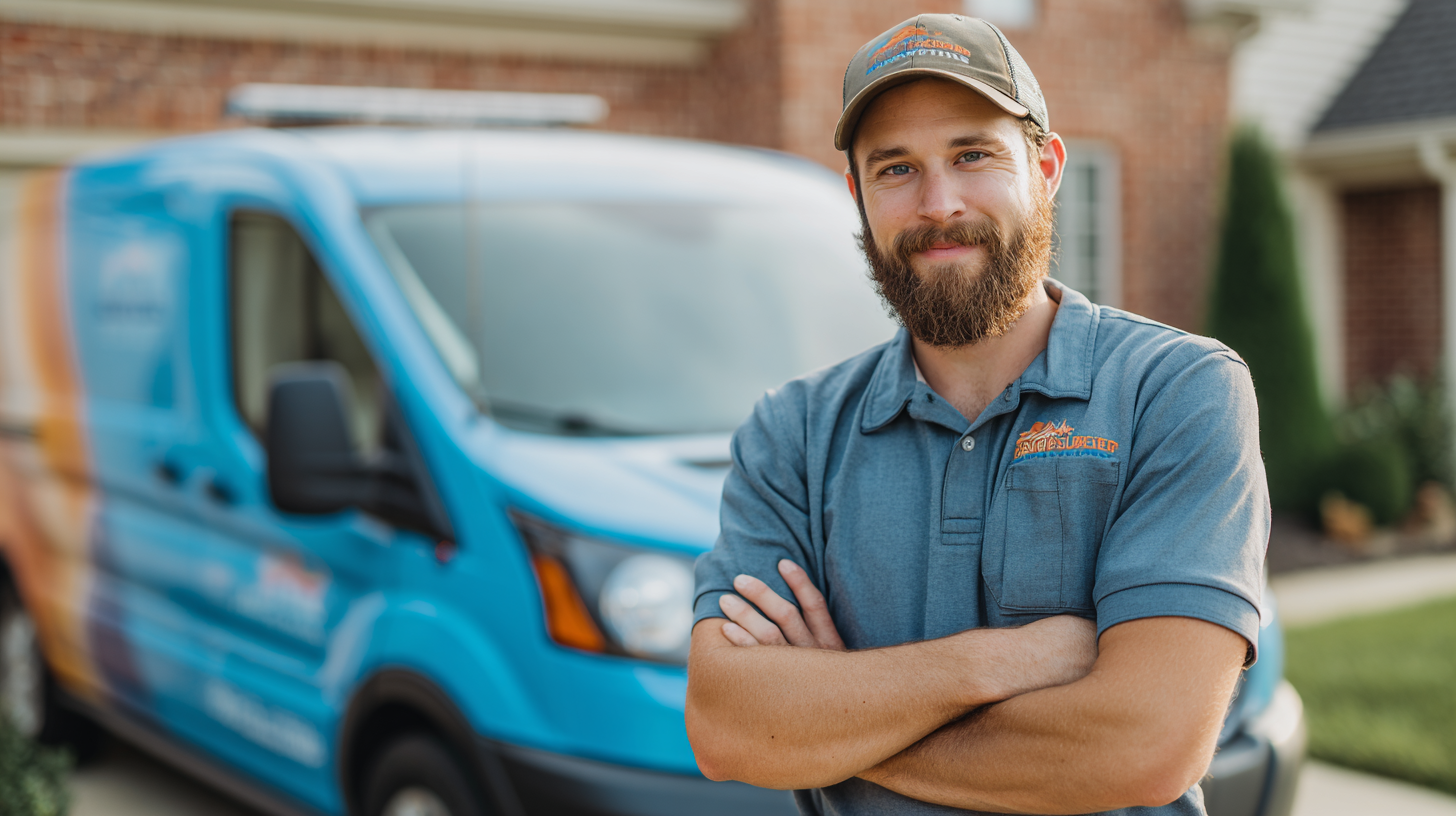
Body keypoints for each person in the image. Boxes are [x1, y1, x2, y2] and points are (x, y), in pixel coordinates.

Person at [684, 13, 1268, 816]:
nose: (938, 202)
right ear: (856, 195)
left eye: (972, 154)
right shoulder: (794, 432)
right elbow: (727, 728)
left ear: (1047, 166)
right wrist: (997, 663)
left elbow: (1147, 744)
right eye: (895, 169)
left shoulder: (1175, 390)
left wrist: (833, 724)